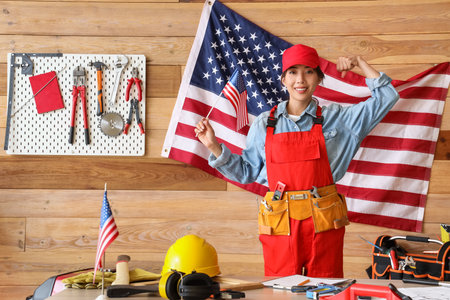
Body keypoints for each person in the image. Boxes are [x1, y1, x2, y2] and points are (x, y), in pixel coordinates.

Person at [194, 44, 399, 278]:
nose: (300, 79)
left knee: (326, 289)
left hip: (324, 220)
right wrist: (213, 146)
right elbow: (246, 173)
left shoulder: (340, 120)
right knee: (281, 291)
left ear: (319, 78)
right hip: (279, 221)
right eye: (292, 72)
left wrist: (361, 62)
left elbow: (387, 96)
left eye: (309, 71)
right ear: (283, 79)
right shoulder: (264, 123)